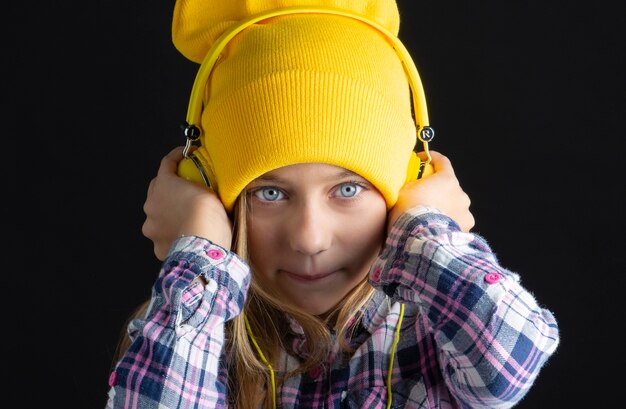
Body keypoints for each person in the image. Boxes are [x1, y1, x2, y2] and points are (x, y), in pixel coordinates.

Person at [106, 0, 560, 408]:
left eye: (347, 189)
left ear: (409, 183)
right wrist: (199, 254)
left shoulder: (436, 331)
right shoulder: (187, 325)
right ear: (213, 195)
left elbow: (509, 369)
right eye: (270, 192)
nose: (309, 238)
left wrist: (429, 234)